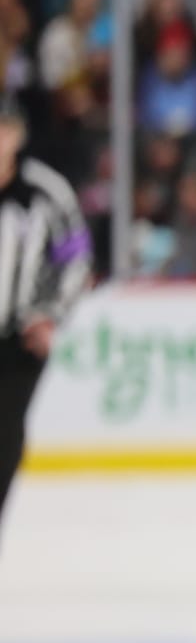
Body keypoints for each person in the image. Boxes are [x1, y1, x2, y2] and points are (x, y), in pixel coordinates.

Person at [0, 102, 89, 524]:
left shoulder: (45, 192)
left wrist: (49, 314)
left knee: (5, 438)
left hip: (19, 340)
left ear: (17, 135)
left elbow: (75, 256)